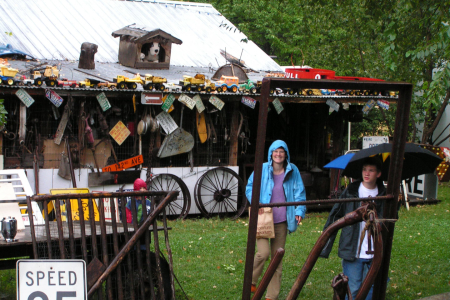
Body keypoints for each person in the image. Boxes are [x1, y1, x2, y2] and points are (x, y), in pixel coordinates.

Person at [246, 140, 306, 300]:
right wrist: (256, 200)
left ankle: (271, 296)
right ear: (271, 153)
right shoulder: (263, 168)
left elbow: (300, 192)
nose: (278, 154)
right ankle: (251, 280)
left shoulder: (293, 170)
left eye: (281, 151)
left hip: (282, 221)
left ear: (286, 154)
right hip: (263, 218)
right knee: (263, 253)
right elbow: (250, 186)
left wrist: (299, 210)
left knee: (277, 258)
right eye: (275, 151)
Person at [320, 157, 386, 300]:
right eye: (364, 170)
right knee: (353, 287)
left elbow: (390, 219)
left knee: (373, 287)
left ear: (378, 174)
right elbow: (335, 216)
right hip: (353, 249)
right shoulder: (351, 191)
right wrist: (325, 244)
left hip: (376, 249)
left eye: (371, 170)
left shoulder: (383, 194)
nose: (366, 173)